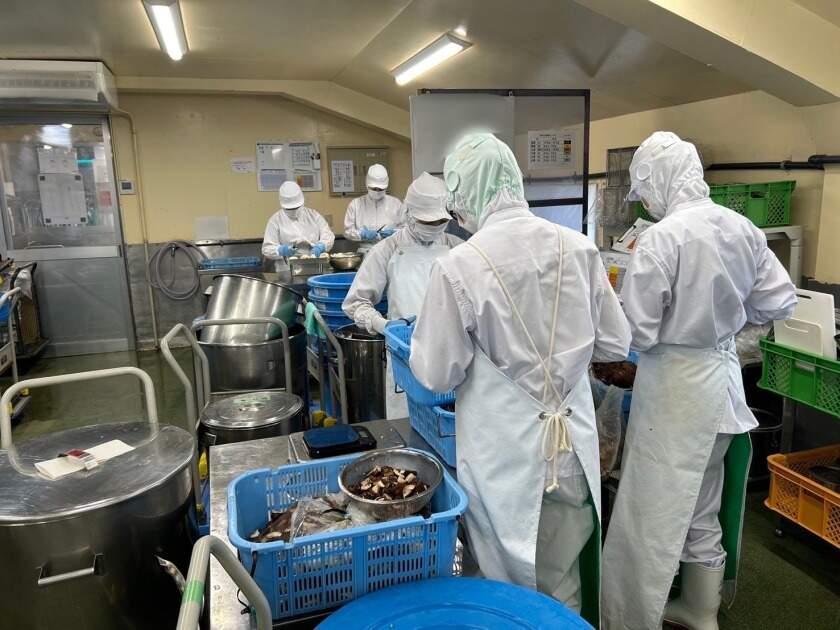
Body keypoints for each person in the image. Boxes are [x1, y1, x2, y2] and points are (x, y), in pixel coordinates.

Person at [409, 133, 631, 620]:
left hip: (504, 458)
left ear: (467, 193)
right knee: (562, 578)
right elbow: (615, 345)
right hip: (572, 449)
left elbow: (436, 373)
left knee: (507, 589)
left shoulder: (459, 266)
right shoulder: (579, 248)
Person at [601, 132, 797, 630]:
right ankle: (701, 610)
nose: (645, 202)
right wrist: (727, 331)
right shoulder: (742, 227)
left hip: (675, 397)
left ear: (660, 180)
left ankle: (634, 616)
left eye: (645, 190)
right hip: (723, 390)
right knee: (702, 505)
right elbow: (779, 301)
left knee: (653, 513)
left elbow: (639, 332)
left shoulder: (662, 238)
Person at [342, 172, 463, 418]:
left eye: (439, 221)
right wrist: (384, 325)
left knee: (452, 422)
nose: (433, 227)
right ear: (408, 215)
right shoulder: (386, 250)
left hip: (452, 354)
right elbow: (355, 303)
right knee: (408, 424)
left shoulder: (458, 248)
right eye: (426, 222)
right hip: (405, 355)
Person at [261, 181, 334, 273]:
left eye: (296, 207)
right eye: (289, 209)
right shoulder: (275, 220)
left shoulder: (314, 215)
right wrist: (281, 250)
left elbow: (328, 236)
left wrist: (321, 246)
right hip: (286, 270)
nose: (294, 211)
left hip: (315, 267)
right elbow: (267, 249)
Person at [343, 164, 405, 244]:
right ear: (367, 185)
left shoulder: (396, 204)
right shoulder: (355, 204)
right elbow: (347, 231)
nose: (377, 192)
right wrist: (361, 234)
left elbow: (406, 229)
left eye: (380, 189)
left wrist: (394, 233)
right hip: (366, 249)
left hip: (390, 248)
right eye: (374, 189)